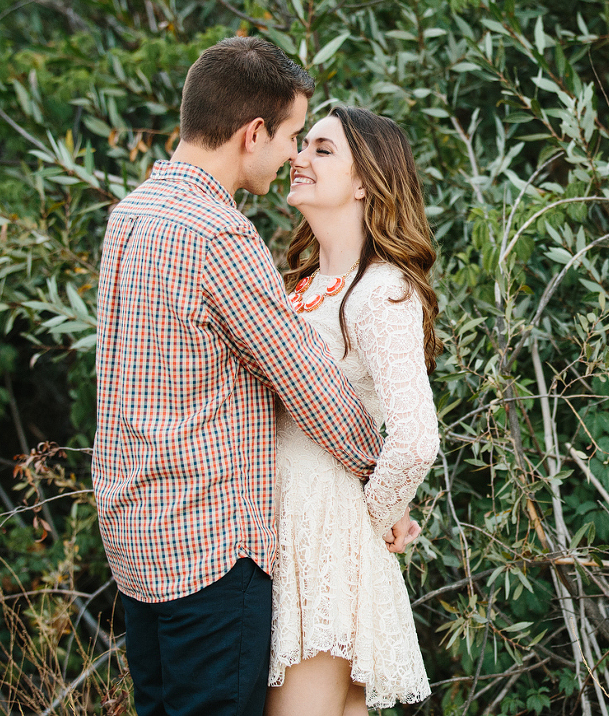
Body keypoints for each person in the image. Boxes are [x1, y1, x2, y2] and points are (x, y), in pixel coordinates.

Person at [92, 37, 385, 716]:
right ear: (252, 132)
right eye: (289, 136)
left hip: (137, 541)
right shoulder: (218, 235)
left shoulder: (130, 214)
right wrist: (381, 472)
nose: (292, 155)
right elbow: (305, 378)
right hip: (209, 552)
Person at [265, 106, 441, 715]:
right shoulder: (301, 286)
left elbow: (417, 437)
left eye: (322, 150)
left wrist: (375, 512)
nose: (299, 158)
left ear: (365, 181)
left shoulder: (382, 291)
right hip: (290, 528)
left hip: (325, 538)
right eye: (302, 145)